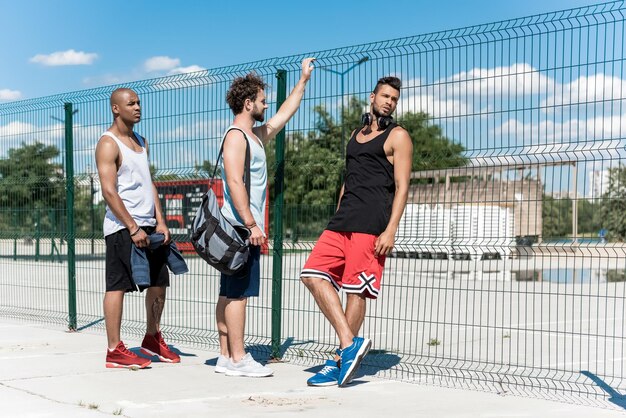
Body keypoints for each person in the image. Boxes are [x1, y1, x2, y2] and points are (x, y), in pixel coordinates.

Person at [300, 76, 413, 387]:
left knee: (355, 289)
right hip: (343, 220)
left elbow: (403, 187)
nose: (389, 101)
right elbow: (348, 181)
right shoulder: (354, 135)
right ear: (372, 97)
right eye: (385, 96)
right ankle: (350, 343)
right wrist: (338, 212)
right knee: (312, 273)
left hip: (371, 224)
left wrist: (391, 230)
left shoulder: (399, 136)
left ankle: (338, 359)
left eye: (394, 98)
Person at [215, 58, 315, 377]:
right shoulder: (236, 136)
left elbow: (283, 116)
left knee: (229, 291)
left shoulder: (255, 136)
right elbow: (233, 182)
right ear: (248, 103)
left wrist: (302, 81)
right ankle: (238, 358)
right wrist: (252, 224)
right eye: (261, 100)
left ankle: (224, 355)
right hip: (240, 227)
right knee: (238, 293)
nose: (266, 103)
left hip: (241, 226)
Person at [96, 88, 181, 369]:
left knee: (158, 283)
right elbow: (109, 191)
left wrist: (161, 221)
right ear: (115, 109)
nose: (137, 107)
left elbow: (149, 183)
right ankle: (114, 350)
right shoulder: (108, 144)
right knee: (117, 286)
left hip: (149, 226)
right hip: (122, 227)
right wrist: (132, 227)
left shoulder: (142, 141)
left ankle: (152, 337)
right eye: (130, 103)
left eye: (138, 102)